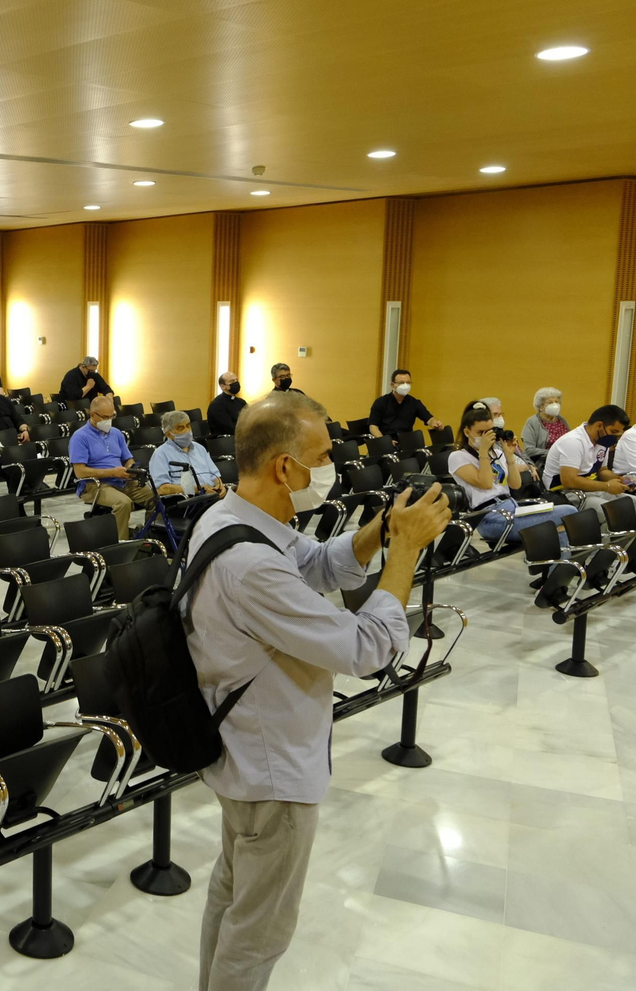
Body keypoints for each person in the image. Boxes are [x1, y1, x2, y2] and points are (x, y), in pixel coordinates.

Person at [186, 391, 451, 991]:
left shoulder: (233, 520)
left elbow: (322, 564)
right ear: (285, 466)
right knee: (259, 932)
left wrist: (383, 529)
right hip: (272, 768)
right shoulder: (248, 564)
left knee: (233, 901)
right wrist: (405, 551)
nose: (332, 465)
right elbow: (369, 648)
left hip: (246, 753)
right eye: (323, 455)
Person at [449, 402, 575, 546]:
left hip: (514, 509)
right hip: (491, 518)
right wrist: (483, 452)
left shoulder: (497, 453)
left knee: (562, 523)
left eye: (490, 431)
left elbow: (515, 485)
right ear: (467, 432)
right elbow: (485, 483)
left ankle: (558, 566)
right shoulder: (458, 457)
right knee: (569, 512)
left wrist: (509, 456)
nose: (487, 437)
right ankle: (559, 566)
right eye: (481, 433)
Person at [70, 395, 155, 538]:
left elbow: (127, 458)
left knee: (155, 498)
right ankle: (121, 546)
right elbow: (80, 472)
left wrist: (131, 468)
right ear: (92, 415)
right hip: (94, 484)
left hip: (121, 479)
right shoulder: (80, 437)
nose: (108, 421)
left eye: (111, 416)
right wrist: (112, 472)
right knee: (123, 503)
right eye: (104, 417)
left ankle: (149, 537)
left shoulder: (116, 433)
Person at [542, 404, 636, 523]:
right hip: (564, 493)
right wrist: (607, 486)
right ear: (599, 425)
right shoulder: (573, 442)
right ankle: (608, 541)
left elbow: (602, 471)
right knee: (612, 512)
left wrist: (620, 479)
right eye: (613, 431)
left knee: (635, 504)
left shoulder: (602, 441)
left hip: (591, 489)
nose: (615, 437)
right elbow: (569, 481)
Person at [150, 410, 226, 497]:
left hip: (212, 495)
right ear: (168, 434)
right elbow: (162, 488)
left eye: (188, 426)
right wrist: (196, 489)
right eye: (180, 428)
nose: (186, 431)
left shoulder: (200, 448)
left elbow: (214, 475)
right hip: (187, 501)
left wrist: (220, 485)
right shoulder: (160, 454)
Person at [367, 368, 443, 437]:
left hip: (407, 441)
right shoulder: (380, 402)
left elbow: (429, 419)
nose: (405, 386)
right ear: (393, 385)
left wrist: (435, 423)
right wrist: (384, 441)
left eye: (408, 383)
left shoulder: (414, 402)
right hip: (386, 439)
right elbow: (373, 427)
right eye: (401, 383)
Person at [521, 387, 567, 467]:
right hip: (543, 464)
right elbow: (529, 450)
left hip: (564, 462)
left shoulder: (561, 420)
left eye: (556, 401)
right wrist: (554, 453)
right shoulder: (532, 422)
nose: (555, 405)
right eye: (550, 402)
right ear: (541, 407)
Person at [207, 371, 246, 436]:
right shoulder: (216, 405)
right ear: (223, 386)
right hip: (225, 441)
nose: (236, 383)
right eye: (232, 381)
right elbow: (229, 428)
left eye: (236, 380)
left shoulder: (241, 402)